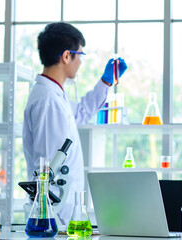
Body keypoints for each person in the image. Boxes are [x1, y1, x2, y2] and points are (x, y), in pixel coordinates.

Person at [23, 22, 127, 224]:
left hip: (63, 213)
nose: (80, 62)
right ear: (66, 56)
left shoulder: (55, 94)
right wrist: (57, 222)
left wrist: (105, 82)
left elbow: (80, 113)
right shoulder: (47, 101)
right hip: (55, 217)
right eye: (79, 55)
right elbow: (48, 169)